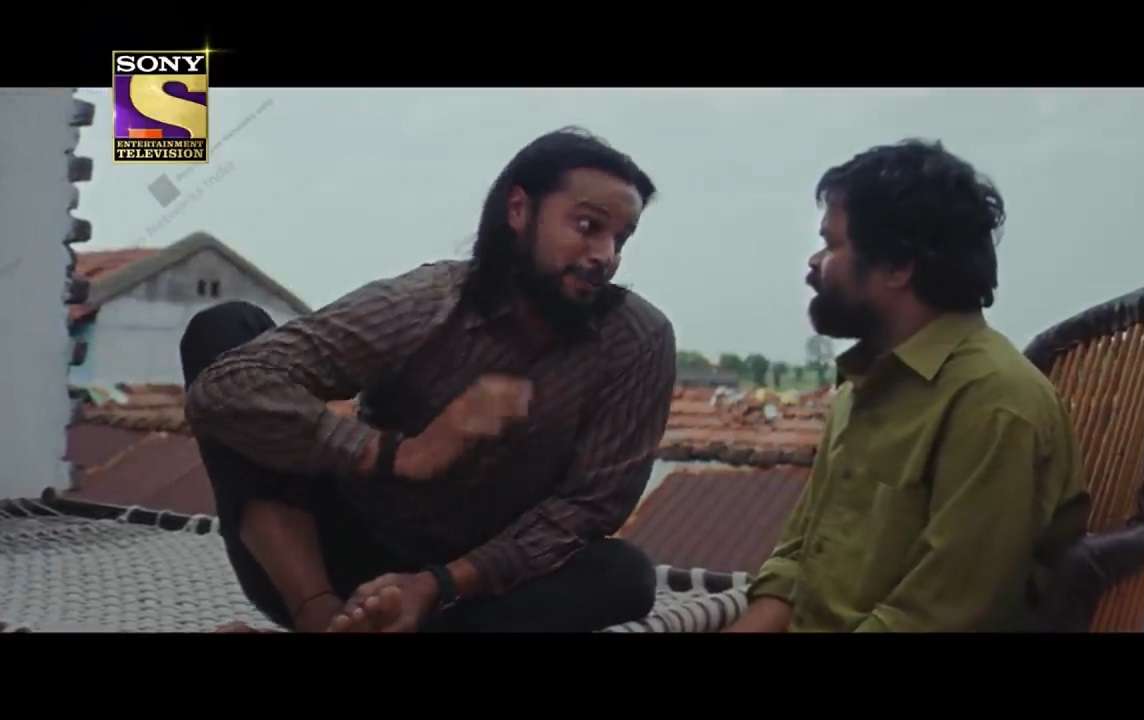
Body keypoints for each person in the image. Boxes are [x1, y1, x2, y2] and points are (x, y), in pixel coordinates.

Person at [181, 127, 675, 633]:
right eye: (588, 226)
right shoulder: (428, 302)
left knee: (624, 576)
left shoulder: (638, 341)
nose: (605, 255)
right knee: (225, 330)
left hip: (466, 592)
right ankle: (320, 620)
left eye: (620, 239)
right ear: (519, 210)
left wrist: (438, 584)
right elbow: (225, 389)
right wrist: (398, 454)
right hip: (328, 560)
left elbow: (589, 508)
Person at [726, 139, 1088, 633]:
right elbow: (795, 566)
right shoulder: (861, 390)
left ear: (897, 266)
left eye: (831, 244)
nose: (814, 262)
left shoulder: (995, 403)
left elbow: (934, 620)